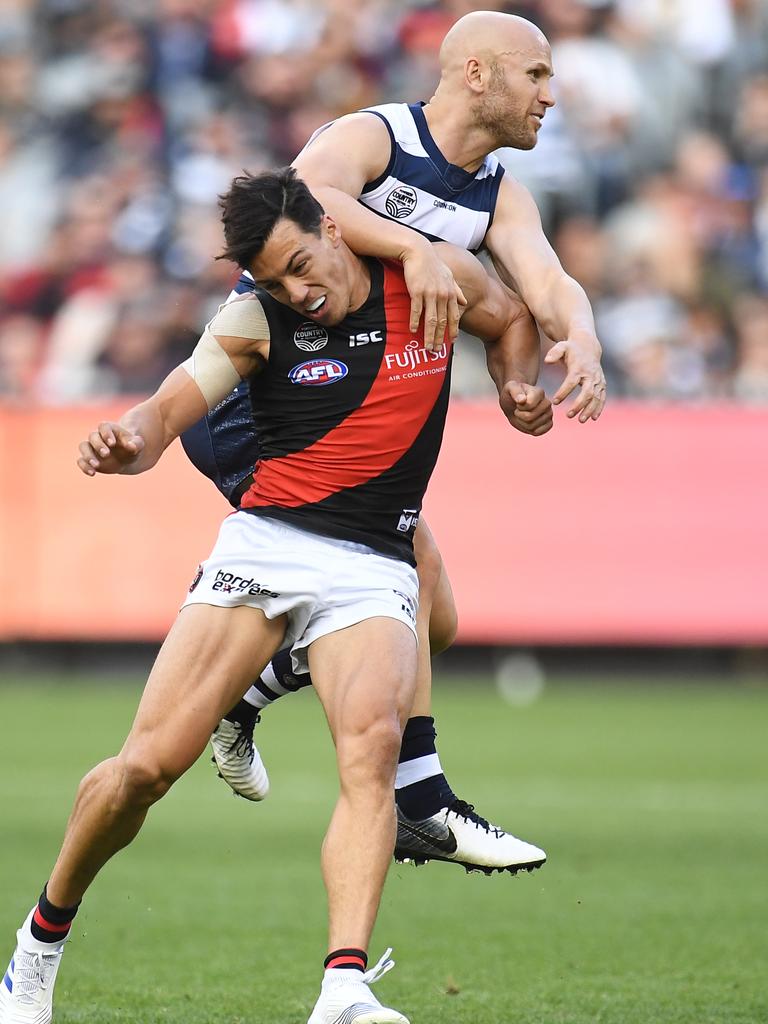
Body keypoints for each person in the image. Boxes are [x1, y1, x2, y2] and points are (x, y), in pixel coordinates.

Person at [0, 168, 548, 1024]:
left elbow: (512, 317)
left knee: (369, 757)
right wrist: (126, 441)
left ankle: (342, 989)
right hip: (269, 549)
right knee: (144, 770)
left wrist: (520, 388)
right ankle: (38, 943)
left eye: (301, 263)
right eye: (275, 279)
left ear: (335, 230)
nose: (300, 290)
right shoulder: (257, 320)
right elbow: (166, 411)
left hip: (374, 561)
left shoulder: (432, 278)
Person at [193, 10, 606, 872]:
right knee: (402, 576)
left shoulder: (500, 194)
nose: (551, 94)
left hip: (350, 422)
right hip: (265, 401)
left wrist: (554, 360)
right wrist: (418, 252)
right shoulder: (374, 135)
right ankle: (422, 798)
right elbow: (306, 198)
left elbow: (543, 286)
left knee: (435, 619)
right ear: (478, 75)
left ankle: (246, 693)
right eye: (536, 75)